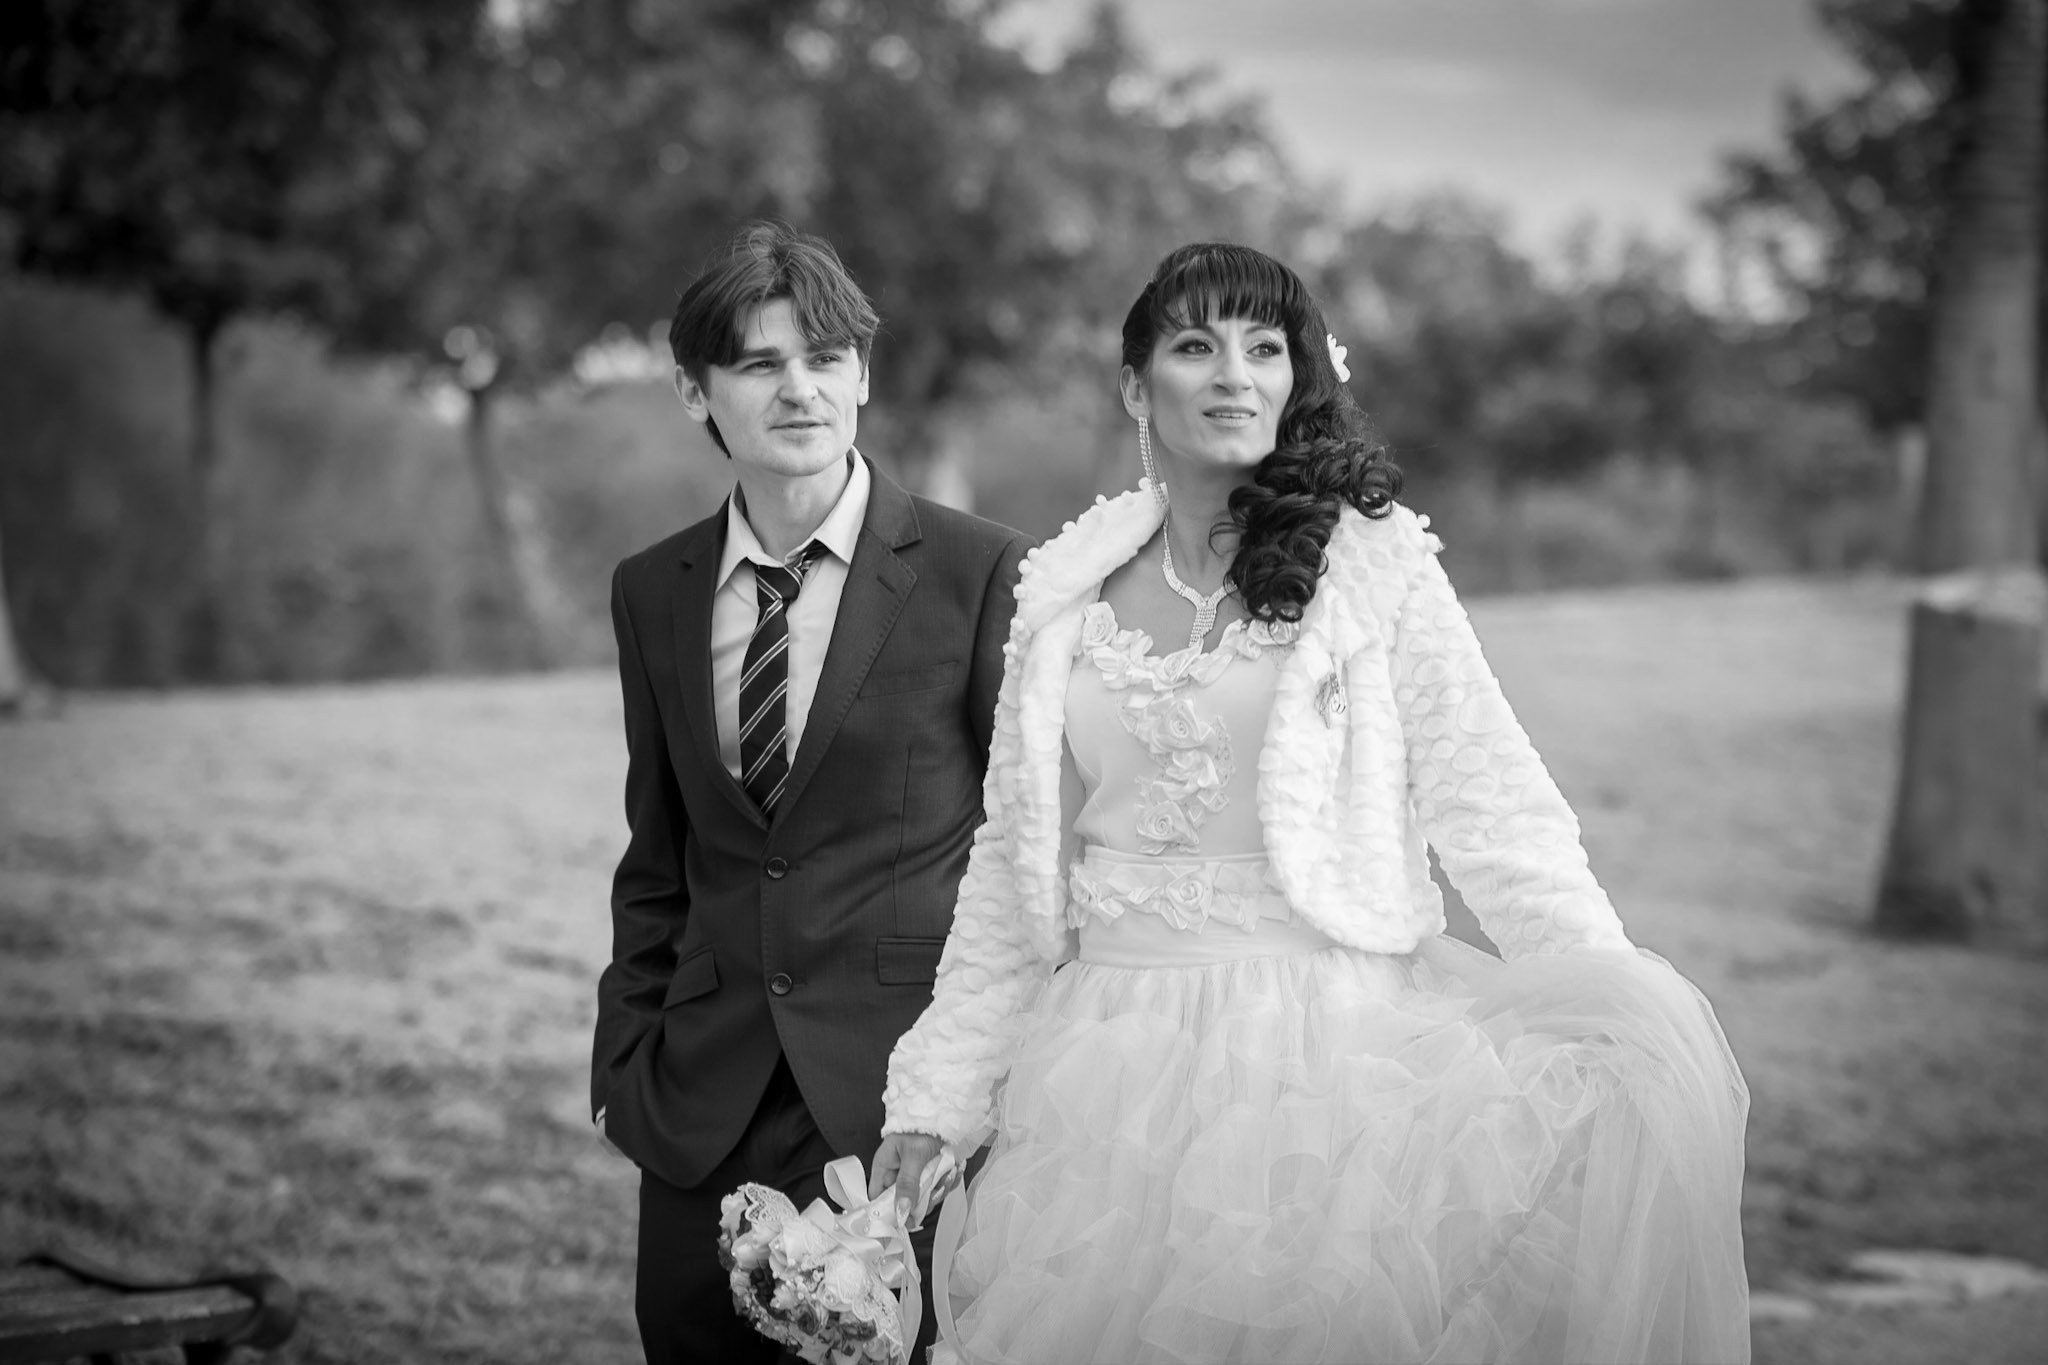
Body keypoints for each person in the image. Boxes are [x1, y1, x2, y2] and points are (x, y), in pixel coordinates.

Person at [871, 243, 1751, 1364]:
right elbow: (1008, 874)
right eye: (1195, 345)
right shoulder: (1060, 594)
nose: (1233, 372)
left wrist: (1604, 989)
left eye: (1263, 346)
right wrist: (936, 1096)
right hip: (1100, 1075)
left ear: (1296, 379)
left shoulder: (1369, 566)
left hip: (1325, 1065)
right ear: (1136, 386)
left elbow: (1491, 803)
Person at [592, 220, 1031, 1364]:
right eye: (758, 364)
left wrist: (980, 1088)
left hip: (896, 1110)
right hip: (698, 1106)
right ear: (697, 394)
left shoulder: (982, 571)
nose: (799, 389)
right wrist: (622, 1069)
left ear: (863, 374)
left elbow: (1026, 854)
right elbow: (659, 855)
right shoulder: (653, 591)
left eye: (824, 358)